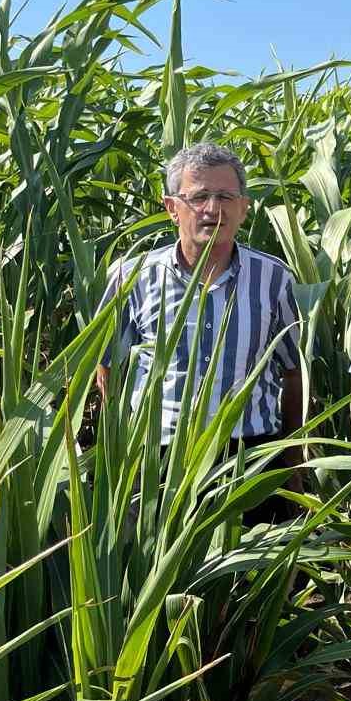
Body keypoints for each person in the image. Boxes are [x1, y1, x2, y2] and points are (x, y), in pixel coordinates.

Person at [97, 142, 305, 475]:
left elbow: (293, 371)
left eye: (225, 197)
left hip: (250, 457)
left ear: (243, 208)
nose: (212, 209)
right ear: (172, 207)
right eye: (198, 197)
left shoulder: (273, 277)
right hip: (156, 460)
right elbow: (108, 368)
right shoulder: (132, 277)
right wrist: (118, 451)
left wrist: (293, 459)